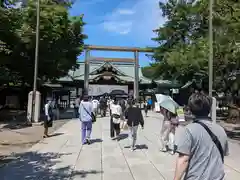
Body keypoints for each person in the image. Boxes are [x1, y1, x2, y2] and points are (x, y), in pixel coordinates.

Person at [173, 93, 229, 180]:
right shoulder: (221, 130)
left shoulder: (189, 130)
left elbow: (184, 159)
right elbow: (222, 156)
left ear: (190, 110)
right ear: (209, 109)